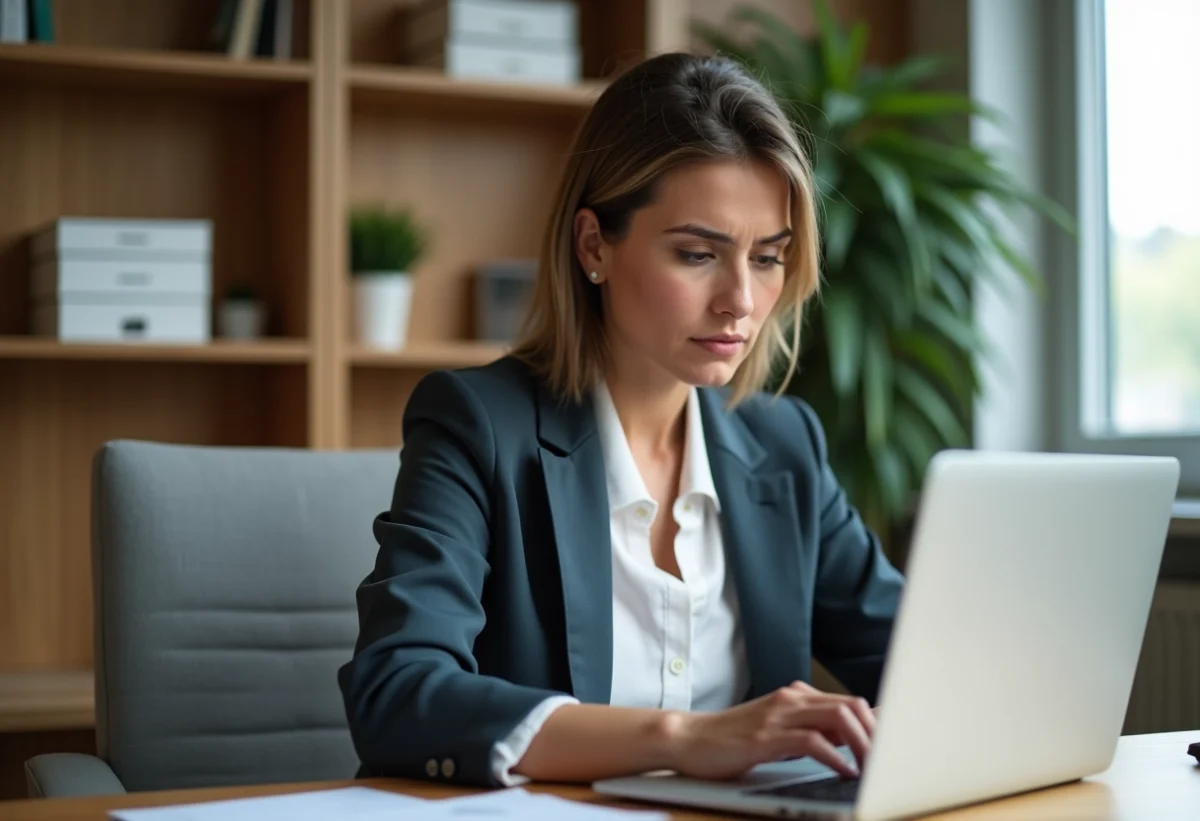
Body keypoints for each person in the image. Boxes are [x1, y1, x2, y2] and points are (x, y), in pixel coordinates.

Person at [337, 51, 904, 790]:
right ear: (594, 245)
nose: (740, 299)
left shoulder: (783, 445)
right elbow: (398, 690)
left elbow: (915, 659)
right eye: (698, 253)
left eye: (767, 258)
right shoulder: (479, 425)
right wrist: (687, 738)